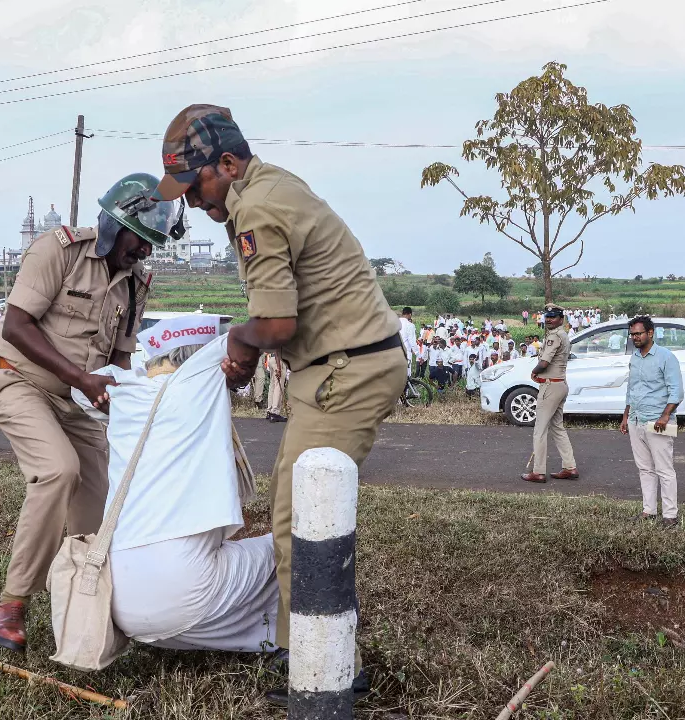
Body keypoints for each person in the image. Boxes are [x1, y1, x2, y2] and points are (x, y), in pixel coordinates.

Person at [154, 104, 402, 703]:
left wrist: (239, 342)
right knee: (301, 513)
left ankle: (324, 667)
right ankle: (307, 649)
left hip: (344, 372)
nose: (192, 203)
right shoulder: (273, 186)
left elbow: (276, 320)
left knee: (301, 520)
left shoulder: (255, 207)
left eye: (196, 185)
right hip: (344, 364)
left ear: (229, 163)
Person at [0, 172, 177, 653]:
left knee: (102, 499)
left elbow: (122, 357)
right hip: (16, 379)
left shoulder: (135, 284)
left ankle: (81, 605)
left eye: (153, 244)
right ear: (114, 225)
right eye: (140, 240)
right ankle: (11, 604)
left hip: (78, 401)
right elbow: (18, 325)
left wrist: (131, 391)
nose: (145, 252)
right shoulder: (58, 251)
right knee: (58, 472)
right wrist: (82, 378)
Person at [81, 322, 278, 653]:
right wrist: (234, 366)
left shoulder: (125, 391)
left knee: (210, 569)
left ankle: (256, 636)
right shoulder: (200, 379)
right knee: (295, 547)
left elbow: (80, 391)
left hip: (119, 605)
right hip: (187, 596)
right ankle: (305, 640)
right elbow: (247, 335)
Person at [619, 317, 683, 527]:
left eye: (639, 333)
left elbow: (677, 391)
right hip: (636, 419)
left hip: (658, 421)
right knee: (644, 468)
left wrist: (665, 416)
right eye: (633, 334)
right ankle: (649, 510)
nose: (635, 338)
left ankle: (670, 515)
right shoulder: (635, 357)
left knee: (664, 469)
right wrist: (626, 415)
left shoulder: (666, 357)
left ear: (650, 333)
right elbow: (632, 389)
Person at [522, 306, 578, 483]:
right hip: (560, 384)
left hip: (551, 386)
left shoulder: (555, 336)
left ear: (561, 319)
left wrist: (534, 372)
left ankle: (538, 471)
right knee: (557, 427)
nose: (549, 320)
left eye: (553, 317)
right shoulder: (562, 334)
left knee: (540, 430)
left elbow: (545, 362)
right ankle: (570, 467)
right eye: (547, 317)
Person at [264, 351, 287, 423]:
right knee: (278, 386)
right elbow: (278, 349)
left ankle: (269, 411)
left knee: (273, 386)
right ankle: (274, 412)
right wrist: (279, 368)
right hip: (278, 360)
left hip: (272, 359)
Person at [397, 306, 416, 375]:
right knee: (407, 373)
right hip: (406, 351)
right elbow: (412, 342)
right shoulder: (410, 325)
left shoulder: (395, 323)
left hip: (395, 351)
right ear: (409, 314)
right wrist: (417, 353)